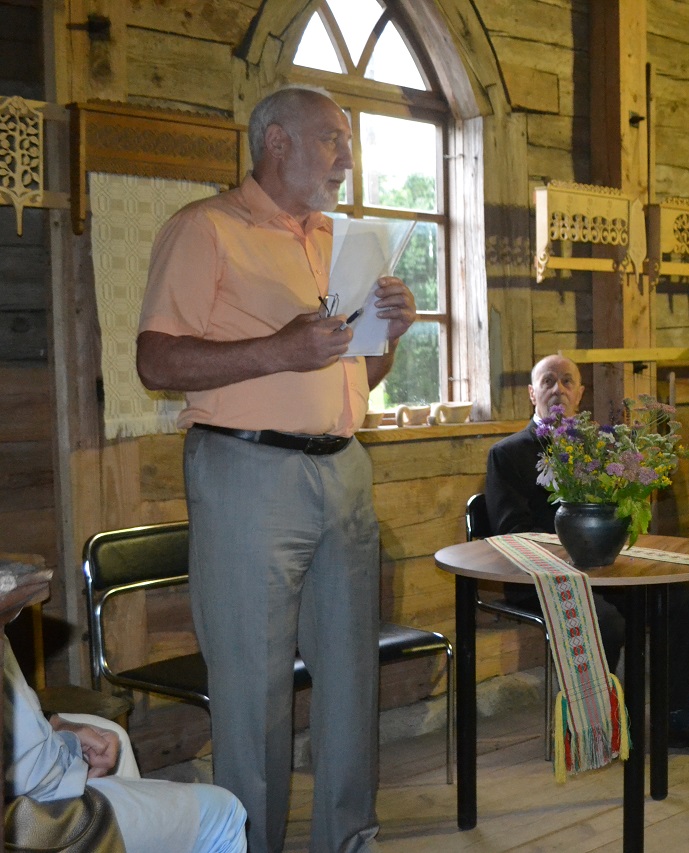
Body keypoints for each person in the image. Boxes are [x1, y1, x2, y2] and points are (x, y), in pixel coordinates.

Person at [137, 86, 418, 853]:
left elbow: (357, 373)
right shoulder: (205, 229)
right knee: (253, 685)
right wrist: (278, 349)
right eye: (332, 139)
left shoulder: (335, 240)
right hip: (248, 473)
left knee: (351, 673)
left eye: (348, 142)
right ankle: (251, 844)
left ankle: (347, 839)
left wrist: (390, 333)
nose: (347, 157)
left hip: (345, 469)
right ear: (278, 142)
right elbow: (155, 360)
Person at [484, 354, 689, 755]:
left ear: (580, 393)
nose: (557, 389)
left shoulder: (601, 448)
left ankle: (675, 718)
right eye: (547, 381)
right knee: (606, 620)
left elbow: (623, 512)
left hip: (607, 569)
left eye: (567, 381)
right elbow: (510, 532)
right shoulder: (508, 453)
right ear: (532, 393)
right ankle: (598, 728)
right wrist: (571, 547)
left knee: (681, 600)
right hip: (542, 577)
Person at [5, 644, 247, 852]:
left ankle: (141, 836)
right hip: (26, 816)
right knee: (225, 812)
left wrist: (54, 722)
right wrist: (68, 757)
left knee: (115, 735)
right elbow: (37, 773)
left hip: (24, 768)